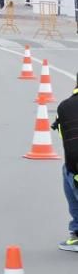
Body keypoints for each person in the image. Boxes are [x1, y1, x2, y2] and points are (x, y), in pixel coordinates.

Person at [52, 76, 78, 252]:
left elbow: (67, 140)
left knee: (67, 171)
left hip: (75, 166)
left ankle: (76, 233)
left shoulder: (65, 107)